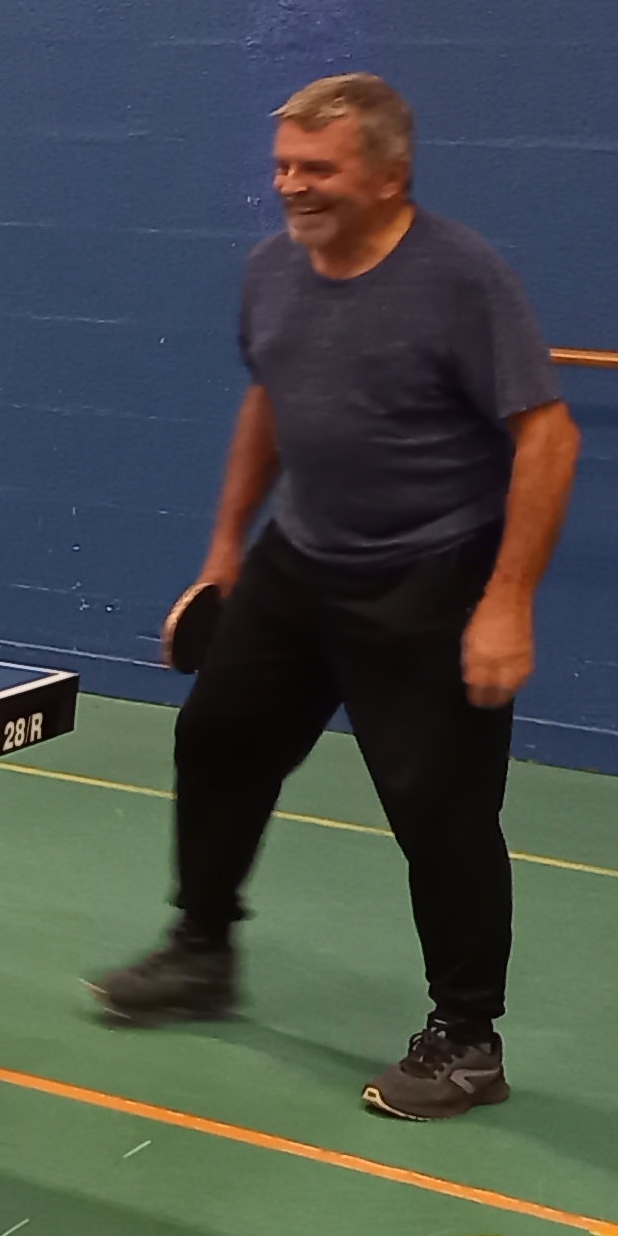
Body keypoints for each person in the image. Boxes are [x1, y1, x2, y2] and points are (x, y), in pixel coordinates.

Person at [89, 74, 580, 1122]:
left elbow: (547, 436)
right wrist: (225, 551)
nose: (292, 187)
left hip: (429, 573)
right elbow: (268, 398)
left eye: (318, 169)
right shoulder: (272, 269)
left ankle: (467, 1042)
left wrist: (508, 600)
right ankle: (201, 950)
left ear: (389, 175)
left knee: (440, 809)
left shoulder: (460, 277)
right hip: (299, 560)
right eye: (282, 167)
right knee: (216, 738)